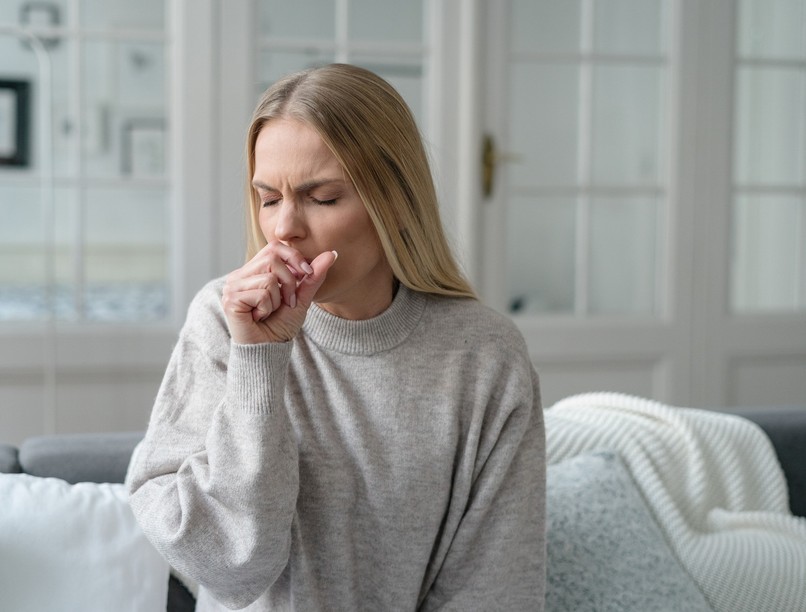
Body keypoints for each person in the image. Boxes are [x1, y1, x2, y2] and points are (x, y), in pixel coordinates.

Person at [127, 63, 546, 611]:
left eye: (323, 198)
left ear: (394, 202)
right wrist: (258, 357)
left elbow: (496, 592)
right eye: (268, 197)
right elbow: (228, 571)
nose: (283, 229)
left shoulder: (485, 356)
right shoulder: (221, 319)